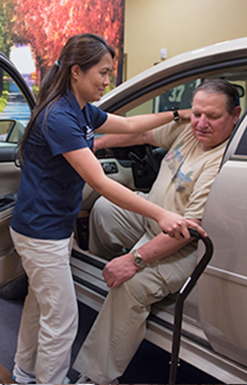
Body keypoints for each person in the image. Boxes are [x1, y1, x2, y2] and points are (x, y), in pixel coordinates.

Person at [9, 33, 204, 385]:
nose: (106, 80)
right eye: (102, 72)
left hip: (47, 226)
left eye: (109, 72)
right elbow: (99, 182)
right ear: (76, 72)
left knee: (40, 305)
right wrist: (159, 214)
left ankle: (23, 372)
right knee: (63, 318)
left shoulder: (81, 109)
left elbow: (129, 125)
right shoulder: (60, 117)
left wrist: (180, 113)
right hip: (41, 233)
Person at [73, 78, 241, 384]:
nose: (201, 124)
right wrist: (96, 143)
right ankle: (102, 276)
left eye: (212, 117)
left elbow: (189, 232)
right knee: (105, 209)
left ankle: (97, 376)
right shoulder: (191, 131)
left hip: (184, 246)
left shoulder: (220, 162)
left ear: (235, 115)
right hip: (154, 220)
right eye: (197, 113)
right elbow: (146, 134)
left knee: (131, 287)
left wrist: (134, 260)